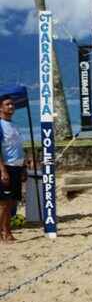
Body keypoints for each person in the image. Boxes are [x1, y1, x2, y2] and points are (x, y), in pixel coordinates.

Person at [0, 95, 27, 244]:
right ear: (0, 107)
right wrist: (3, 171)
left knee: (11, 204)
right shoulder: (0, 125)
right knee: (3, 203)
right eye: (7, 104)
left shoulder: (14, 125)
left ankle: (8, 232)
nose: (11, 107)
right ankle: (2, 233)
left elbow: (18, 148)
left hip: (17, 167)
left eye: (12, 104)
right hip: (6, 168)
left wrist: (23, 167)